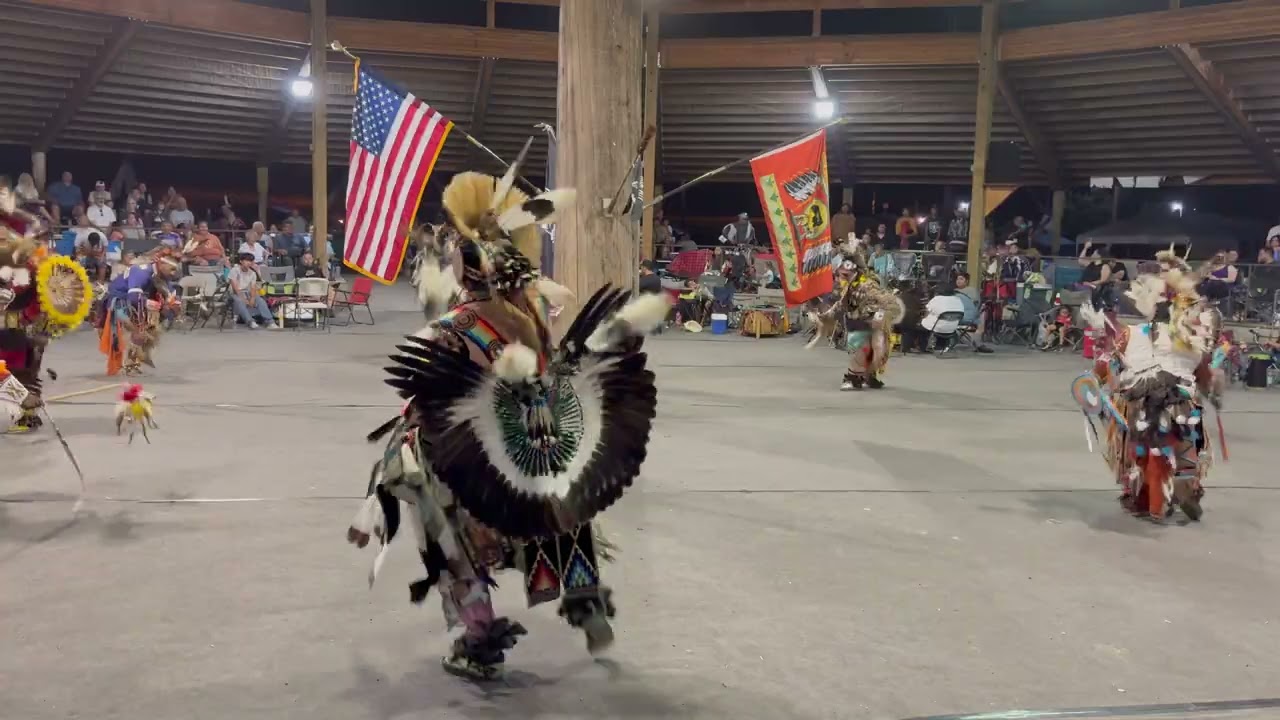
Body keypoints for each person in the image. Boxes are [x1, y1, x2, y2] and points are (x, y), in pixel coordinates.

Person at [346, 167, 665, 681]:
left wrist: (381, 488)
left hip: (476, 459)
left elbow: (420, 395)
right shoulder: (533, 308)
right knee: (560, 516)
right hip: (539, 445)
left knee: (447, 540)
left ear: (465, 275)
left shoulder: (452, 327)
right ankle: (586, 603)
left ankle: (478, 643)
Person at [1074, 250, 1220, 523]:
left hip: (1140, 401)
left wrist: (1092, 383)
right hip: (1181, 399)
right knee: (1185, 444)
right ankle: (1186, 484)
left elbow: (1106, 366)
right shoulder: (1193, 340)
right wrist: (1213, 390)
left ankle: (1149, 501)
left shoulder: (1131, 333)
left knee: (1141, 451)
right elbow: (1204, 376)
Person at [807, 245, 903, 389]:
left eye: (843, 275)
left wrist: (880, 315)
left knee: (878, 351)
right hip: (858, 322)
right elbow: (840, 304)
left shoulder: (867, 285)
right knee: (862, 349)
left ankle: (868, 376)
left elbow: (889, 303)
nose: (839, 278)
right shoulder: (845, 287)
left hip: (873, 320)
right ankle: (854, 378)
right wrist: (825, 315)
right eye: (839, 275)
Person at [98, 255, 180, 376]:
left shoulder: (163, 277)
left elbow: (172, 297)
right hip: (119, 299)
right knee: (137, 330)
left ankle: (133, 362)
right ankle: (128, 363)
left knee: (150, 328)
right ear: (161, 265)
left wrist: (173, 308)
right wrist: (148, 303)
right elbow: (133, 297)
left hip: (137, 301)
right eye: (172, 269)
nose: (173, 274)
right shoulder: (141, 271)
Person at [228, 253, 277, 329]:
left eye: (251, 261)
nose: (249, 263)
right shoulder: (235, 270)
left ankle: (270, 321)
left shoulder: (252, 273)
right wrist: (244, 299)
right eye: (247, 261)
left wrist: (252, 298)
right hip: (234, 293)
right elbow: (235, 288)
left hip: (247, 292)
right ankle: (250, 321)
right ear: (241, 261)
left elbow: (253, 288)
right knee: (239, 301)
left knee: (260, 300)